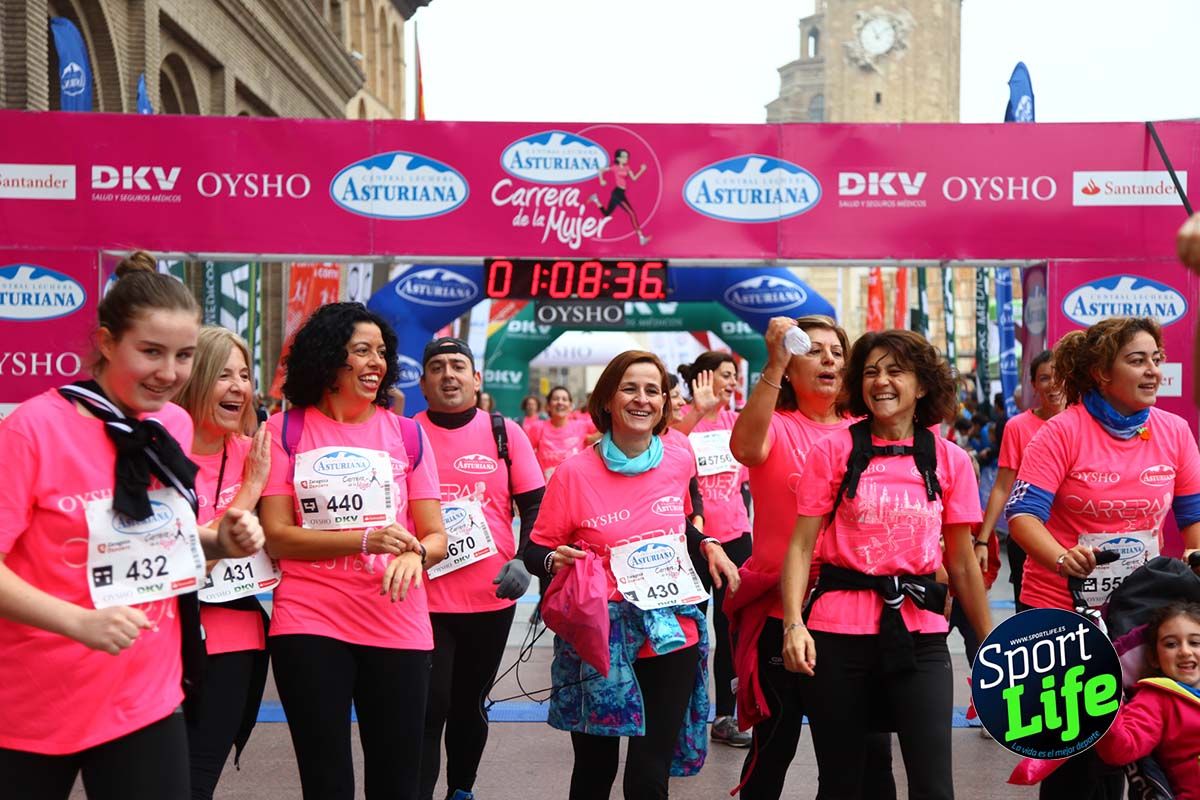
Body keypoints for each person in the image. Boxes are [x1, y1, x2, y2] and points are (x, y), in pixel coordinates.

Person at [0, 252, 264, 799]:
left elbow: (161, 541)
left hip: (145, 693)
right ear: (105, 342)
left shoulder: (171, 421)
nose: (169, 373)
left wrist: (220, 540)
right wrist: (78, 623)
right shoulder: (32, 431)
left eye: (185, 356)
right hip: (34, 697)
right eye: (150, 352)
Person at [783, 329, 991, 800]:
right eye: (872, 371)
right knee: (843, 785)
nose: (882, 381)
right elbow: (800, 548)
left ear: (922, 386)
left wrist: (992, 648)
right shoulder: (833, 451)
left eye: (896, 371)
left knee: (934, 786)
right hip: (836, 639)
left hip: (921, 638)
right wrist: (794, 624)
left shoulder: (951, 460)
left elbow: (961, 562)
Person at [523, 350, 741, 800]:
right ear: (607, 400)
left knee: (648, 774)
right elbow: (535, 548)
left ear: (664, 402)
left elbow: (676, 522)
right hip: (599, 634)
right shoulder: (573, 473)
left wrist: (707, 544)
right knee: (594, 770)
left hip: (671, 631)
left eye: (652, 390)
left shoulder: (678, 458)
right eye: (629, 388)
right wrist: (553, 561)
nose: (641, 399)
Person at [259, 302, 449, 800]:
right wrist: (364, 539)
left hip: (397, 620)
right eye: (361, 351)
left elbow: (435, 535)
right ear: (328, 358)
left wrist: (416, 555)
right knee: (326, 783)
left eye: (381, 353)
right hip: (310, 620)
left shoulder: (407, 435)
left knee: (397, 783)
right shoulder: (283, 431)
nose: (376, 363)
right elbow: (276, 535)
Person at [1007, 317, 1200, 800]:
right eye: (1138, 360)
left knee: (1135, 754)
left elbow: (1192, 517)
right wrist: (1062, 558)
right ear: (1101, 373)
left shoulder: (1174, 431)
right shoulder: (1061, 432)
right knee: (1072, 762)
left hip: (1138, 618)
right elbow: (1023, 516)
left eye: (1156, 359)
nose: (1153, 370)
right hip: (1059, 613)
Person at [726, 315, 895, 800]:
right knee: (772, 752)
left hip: (858, 618)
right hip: (784, 614)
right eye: (813, 350)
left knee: (866, 760)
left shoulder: (868, 432)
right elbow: (743, 447)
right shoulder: (776, 425)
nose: (828, 360)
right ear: (791, 367)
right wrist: (774, 359)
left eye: (838, 353)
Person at [414, 337, 546, 800]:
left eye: (457, 365)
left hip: (490, 596)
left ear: (476, 378)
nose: (448, 374)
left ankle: (461, 790)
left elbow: (535, 506)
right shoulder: (405, 433)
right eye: (437, 367)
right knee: (431, 704)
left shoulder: (504, 433)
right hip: (422, 597)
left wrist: (523, 559)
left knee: (469, 702)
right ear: (423, 381)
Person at [175, 326, 274, 799]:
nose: (239, 386)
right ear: (192, 380)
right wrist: (250, 491)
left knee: (198, 780)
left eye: (244, 375)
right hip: (160, 637)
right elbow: (187, 560)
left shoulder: (255, 452)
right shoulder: (157, 450)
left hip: (234, 639)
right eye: (222, 375)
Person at [675, 352, 752, 747]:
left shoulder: (738, 423)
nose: (732, 383)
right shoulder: (679, 420)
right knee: (687, 632)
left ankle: (727, 714)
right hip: (690, 540)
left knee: (732, 629)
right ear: (704, 378)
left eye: (735, 376)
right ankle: (680, 717)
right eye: (726, 375)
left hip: (736, 539)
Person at [977, 350, 1064, 613]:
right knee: (1030, 619)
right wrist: (982, 540)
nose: (1054, 384)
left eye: (1059, 376)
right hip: (1027, 539)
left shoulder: (1085, 421)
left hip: (1073, 539)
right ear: (1034, 385)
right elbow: (1003, 486)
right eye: (1045, 378)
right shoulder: (1017, 426)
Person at [1095, 601, 1200, 800]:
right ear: (1154, 657)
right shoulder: (1157, 698)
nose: (1185, 651)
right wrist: (1105, 703)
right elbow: (1120, 749)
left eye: (1195, 642)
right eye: (1171, 644)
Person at [529, 385, 600, 480]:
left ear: (570, 406)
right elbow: (526, 456)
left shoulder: (581, 426)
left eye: (564, 399)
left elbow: (605, 425)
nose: (560, 402)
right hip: (546, 490)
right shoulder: (538, 428)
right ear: (548, 406)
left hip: (575, 487)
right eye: (555, 399)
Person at [588, 148, 651, 246]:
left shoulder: (627, 168)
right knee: (632, 214)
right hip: (617, 193)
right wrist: (601, 180)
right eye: (624, 156)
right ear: (618, 158)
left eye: (627, 156)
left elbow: (634, 178)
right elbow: (601, 170)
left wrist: (642, 170)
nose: (626, 158)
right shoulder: (614, 167)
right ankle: (641, 237)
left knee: (607, 214)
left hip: (620, 193)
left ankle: (595, 199)